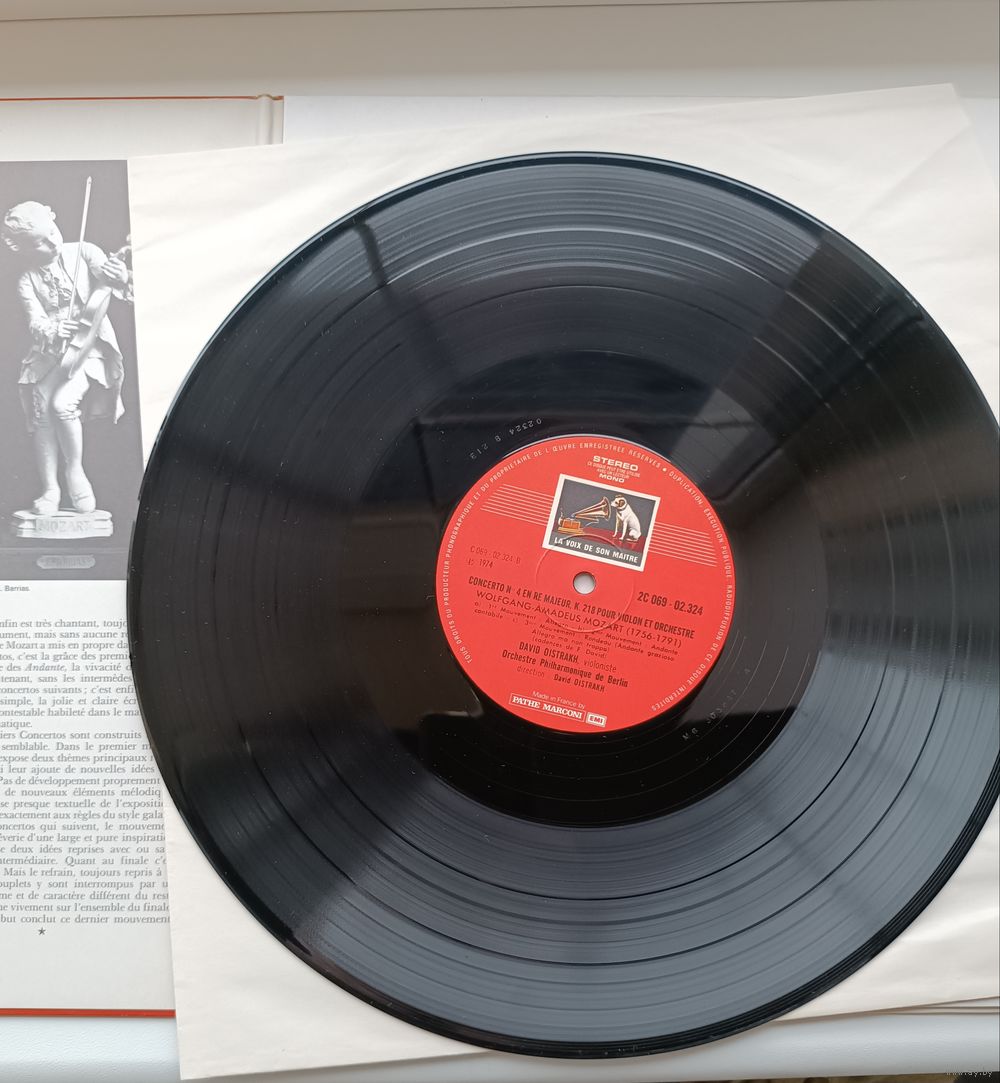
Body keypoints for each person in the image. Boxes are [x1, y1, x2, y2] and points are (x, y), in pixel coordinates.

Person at [2, 200, 129, 516]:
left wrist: (121, 275)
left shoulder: (84, 251)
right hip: (52, 352)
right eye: (40, 243)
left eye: (53, 232)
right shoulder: (27, 280)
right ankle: (50, 488)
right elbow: (35, 321)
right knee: (42, 409)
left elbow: (110, 282)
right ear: (22, 249)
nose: (52, 242)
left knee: (62, 405)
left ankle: (75, 473)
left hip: (89, 346)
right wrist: (54, 328)